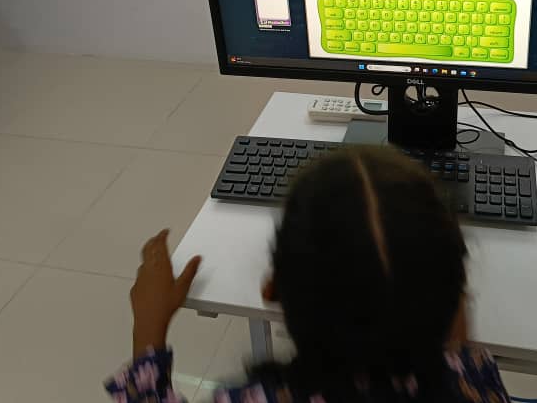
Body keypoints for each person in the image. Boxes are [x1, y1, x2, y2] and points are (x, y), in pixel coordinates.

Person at [106, 147, 512, 403]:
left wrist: (149, 330)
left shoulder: (253, 397)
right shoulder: (474, 382)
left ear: (272, 289)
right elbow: (453, 330)